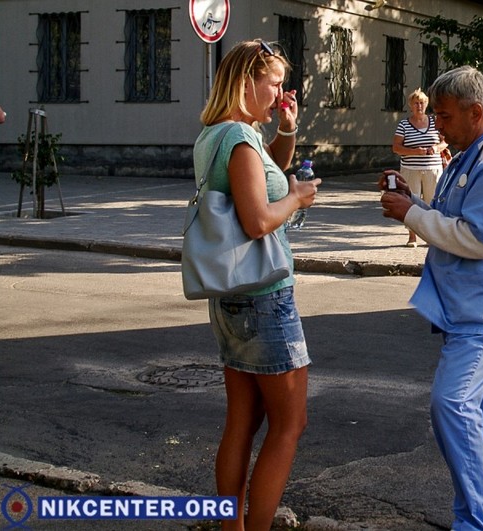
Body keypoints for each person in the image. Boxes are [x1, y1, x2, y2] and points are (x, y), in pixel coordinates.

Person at [380, 66, 483, 530]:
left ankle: (476, 523)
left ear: (477, 112)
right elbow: (451, 219)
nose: (436, 125)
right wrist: (415, 205)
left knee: (452, 405)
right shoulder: (471, 154)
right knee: (479, 418)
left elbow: (479, 240)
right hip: (467, 309)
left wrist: (412, 216)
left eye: (444, 117)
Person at [194, 38, 321, 531]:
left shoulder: (218, 134)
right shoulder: (239, 139)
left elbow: (267, 166)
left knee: (242, 423)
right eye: (273, 84)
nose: (280, 93)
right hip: (265, 298)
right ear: (246, 81)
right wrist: (298, 198)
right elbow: (258, 218)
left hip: (230, 297)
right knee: (290, 424)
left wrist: (287, 130)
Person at [391, 88, 447, 247]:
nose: (419, 106)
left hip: (432, 169)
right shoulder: (404, 124)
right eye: (416, 103)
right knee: (411, 202)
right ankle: (412, 237)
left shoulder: (435, 122)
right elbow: (396, 147)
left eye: (422, 103)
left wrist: (435, 149)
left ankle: (432, 238)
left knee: (432, 202)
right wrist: (415, 151)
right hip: (411, 169)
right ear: (410, 105)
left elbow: (446, 141)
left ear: (427, 104)